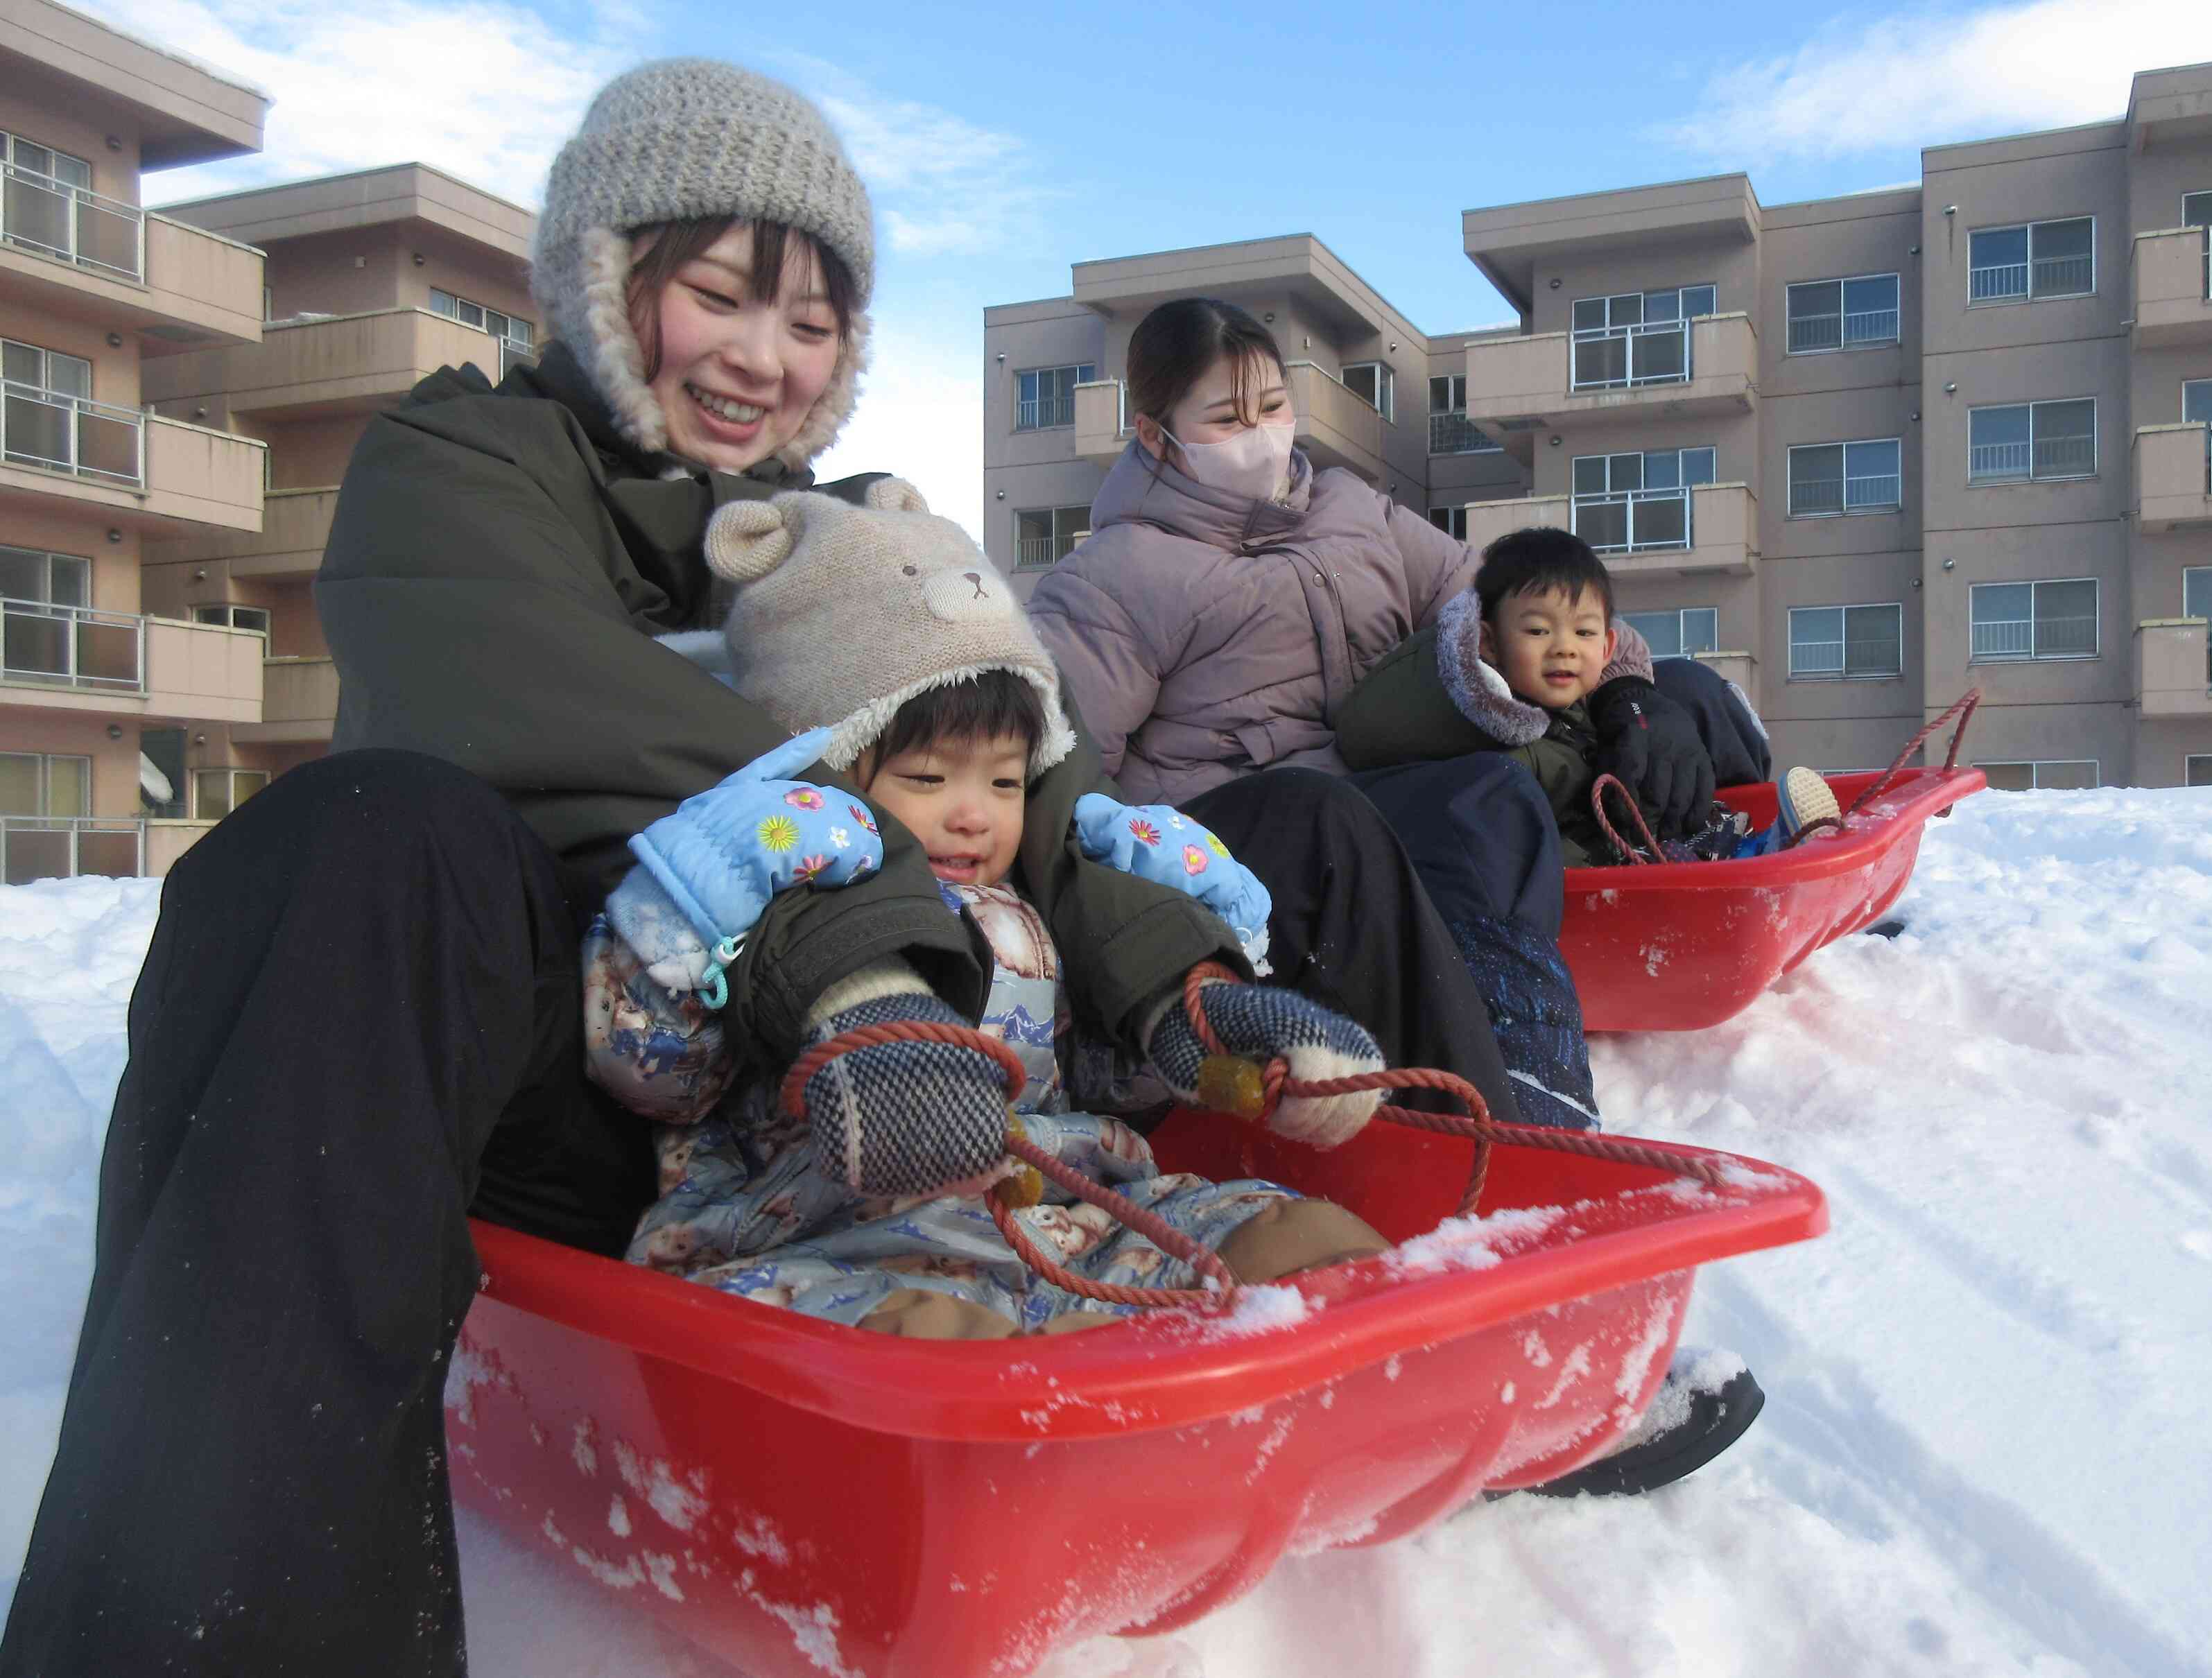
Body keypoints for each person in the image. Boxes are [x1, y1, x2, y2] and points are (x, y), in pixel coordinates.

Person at [0, 61, 1487, 1677]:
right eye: (717, 294)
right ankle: (219, 1629)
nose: (762, 359)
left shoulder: (855, 540)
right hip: (607, 1080)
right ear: (599, 278)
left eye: (815, 323)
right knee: (358, 840)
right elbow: (527, 714)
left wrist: (1176, 973)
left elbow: (1024, 781)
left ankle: (1501, 1310)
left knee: (1299, 827)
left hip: (928, 1075)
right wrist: (852, 899)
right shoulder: (468, 468)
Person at [1028, 298, 1768, 1495]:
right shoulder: (1115, 577)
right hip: (1222, 848)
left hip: (1365, 826)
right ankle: (1496, 1297)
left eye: (1272, 405)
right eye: (1225, 417)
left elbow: (1519, 596)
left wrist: (1629, 691)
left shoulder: (1355, 514)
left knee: (1486, 789)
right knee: (1329, 824)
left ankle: (1526, 1119)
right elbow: (1051, 775)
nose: (1261, 434)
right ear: (1157, 436)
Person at [597, 484, 1391, 1335]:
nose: (973, 812)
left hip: (1069, 1220)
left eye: (1006, 781)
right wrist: (688, 945)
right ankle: (1043, 1426)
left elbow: (1093, 1078)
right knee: (927, 1341)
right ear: (818, 774)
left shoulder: (1031, 910)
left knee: (1309, 1240)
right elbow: (657, 1073)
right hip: (831, 1241)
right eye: (928, 778)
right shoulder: (748, 903)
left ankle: (1350, 1408)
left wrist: (1210, 1043)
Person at [1339, 527, 1840, 865]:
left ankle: (1770, 843)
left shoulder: (1582, 712)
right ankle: (1771, 854)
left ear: (1607, 647)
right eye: (1537, 632)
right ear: (1489, 642)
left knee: (1692, 701)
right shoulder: (1503, 748)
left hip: (1645, 843)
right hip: (1603, 873)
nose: (1563, 649)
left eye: (1582, 634)